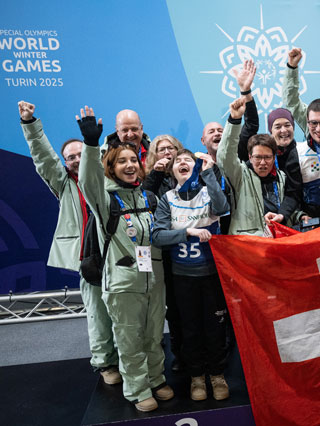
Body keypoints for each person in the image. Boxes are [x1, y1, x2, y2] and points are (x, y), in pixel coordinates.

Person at [77, 106, 172, 412]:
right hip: (122, 284)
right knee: (129, 340)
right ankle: (138, 388)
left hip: (153, 280)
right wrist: (91, 144)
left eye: (133, 160)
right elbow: (88, 181)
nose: (129, 165)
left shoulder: (147, 197)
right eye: (122, 161)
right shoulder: (104, 199)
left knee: (153, 335)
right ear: (111, 167)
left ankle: (156, 379)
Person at [17, 100, 119, 384]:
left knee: (124, 312)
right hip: (89, 259)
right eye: (70, 157)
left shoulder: (109, 180)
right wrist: (30, 125)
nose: (76, 159)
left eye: (80, 154)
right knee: (98, 314)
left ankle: (129, 357)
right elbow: (43, 157)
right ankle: (105, 363)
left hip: (117, 254)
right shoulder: (63, 183)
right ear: (65, 163)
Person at [152, 149, 230, 401]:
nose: (183, 162)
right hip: (182, 276)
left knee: (215, 328)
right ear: (172, 171)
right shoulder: (167, 198)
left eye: (188, 159)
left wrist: (208, 173)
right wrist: (188, 232)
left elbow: (223, 207)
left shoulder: (208, 193)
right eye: (178, 161)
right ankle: (196, 376)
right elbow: (157, 236)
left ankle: (217, 374)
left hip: (211, 273)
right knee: (190, 328)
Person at [217, 98, 295, 235]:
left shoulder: (281, 177)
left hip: (279, 241)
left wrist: (300, 216)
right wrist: (234, 120)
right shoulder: (239, 175)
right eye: (258, 157)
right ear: (250, 157)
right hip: (248, 243)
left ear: (274, 157)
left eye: (267, 157)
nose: (263, 163)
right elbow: (225, 156)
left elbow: (287, 208)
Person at [141, 134, 185, 372]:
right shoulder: (150, 178)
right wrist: (157, 174)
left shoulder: (187, 173)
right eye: (162, 149)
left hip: (187, 248)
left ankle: (192, 353)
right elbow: (143, 199)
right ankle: (176, 354)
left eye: (171, 148)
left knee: (186, 305)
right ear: (154, 155)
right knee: (170, 308)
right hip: (161, 251)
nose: (167, 152)